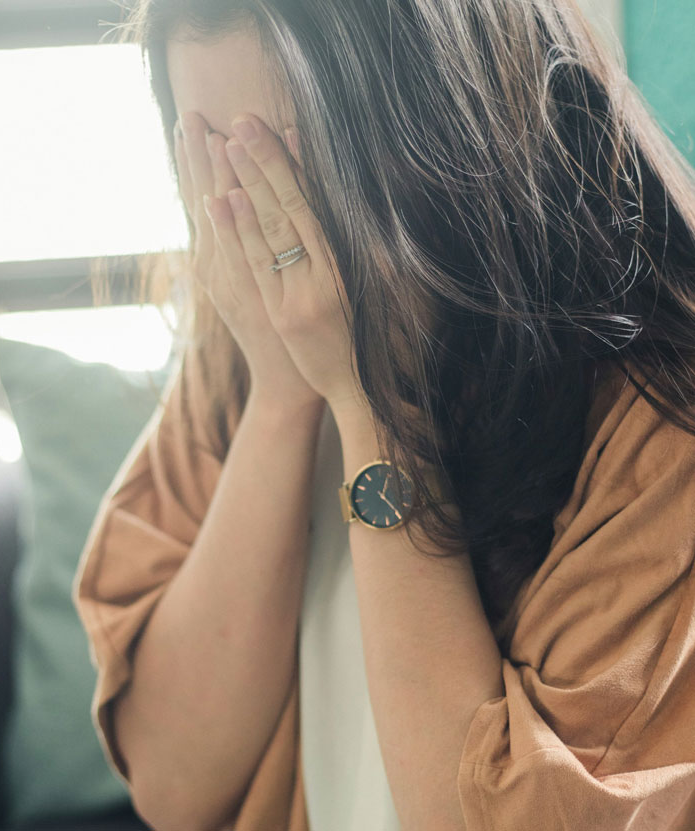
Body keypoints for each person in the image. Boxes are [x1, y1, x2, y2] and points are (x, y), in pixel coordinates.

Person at [73, 0, 695, 829]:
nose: (260, 222)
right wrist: (282, 394)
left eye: (287, 164)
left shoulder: (655, 421)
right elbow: (173, 783)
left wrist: (376, 404)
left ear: (444, 131)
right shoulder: (241, 343)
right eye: (219, 167)